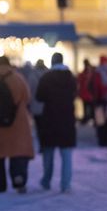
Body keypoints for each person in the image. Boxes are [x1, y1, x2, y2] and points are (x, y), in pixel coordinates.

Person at [0, 55, 35, 192]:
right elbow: (27, 97)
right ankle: (19, 180)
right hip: (17, 123)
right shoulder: (17, 78)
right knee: (17, 152)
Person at [35, 53, 76, 193]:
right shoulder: (71, 77)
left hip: (50, 118)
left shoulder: (46, 77)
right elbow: (75, 94)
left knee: (48, 152)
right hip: (67, 119)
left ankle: (46, 180)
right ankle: (66, 184)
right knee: (66, 154)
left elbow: (39, 96)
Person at [77, 60, 96, 125]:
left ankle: (88, 118)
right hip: (87, 93)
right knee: (89, 107)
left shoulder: (86, 73)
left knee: (87, 107)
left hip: (87, 93)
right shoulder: (89, 73)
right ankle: (90, 118)